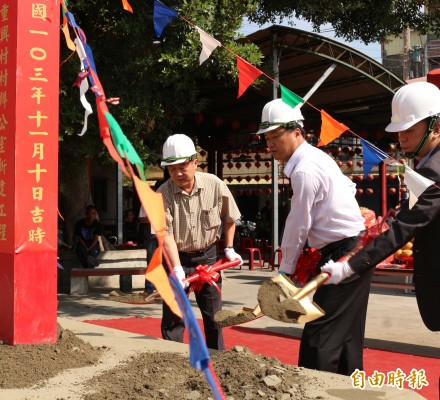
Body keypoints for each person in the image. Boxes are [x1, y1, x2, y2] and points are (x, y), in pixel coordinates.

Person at [257, 99, 369, 375]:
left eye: (275, 136)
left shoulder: (305, 170)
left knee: (319, 334)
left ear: (297, 132)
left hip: (346, 253)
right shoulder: (315, 158)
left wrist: (284, 272)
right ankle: (350, 389)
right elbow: (349, 187)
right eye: (266, 137)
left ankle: (311, 389)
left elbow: (298, 224)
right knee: (346, 334)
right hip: (350, 248)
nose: (270, 144)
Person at [323, 81, 440, 332]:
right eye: (398, 130)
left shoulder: (435, 169)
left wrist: (350, 266)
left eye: (409, 129)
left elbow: (405, 227)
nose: (401, 136)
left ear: (436, 128)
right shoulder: (427, 165)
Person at [158, 133, 243, 350]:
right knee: (173, 317)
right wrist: (177, 268)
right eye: (171, 168)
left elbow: (230, 217)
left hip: (208, 257)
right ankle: (171, 358)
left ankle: (218, 358)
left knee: (214, 315)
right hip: (177, 257)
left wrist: (230, 248)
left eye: (183, 166)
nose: (177, 173)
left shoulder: (214, 184)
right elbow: (165, 234)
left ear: (196, 162)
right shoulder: (162, 194)